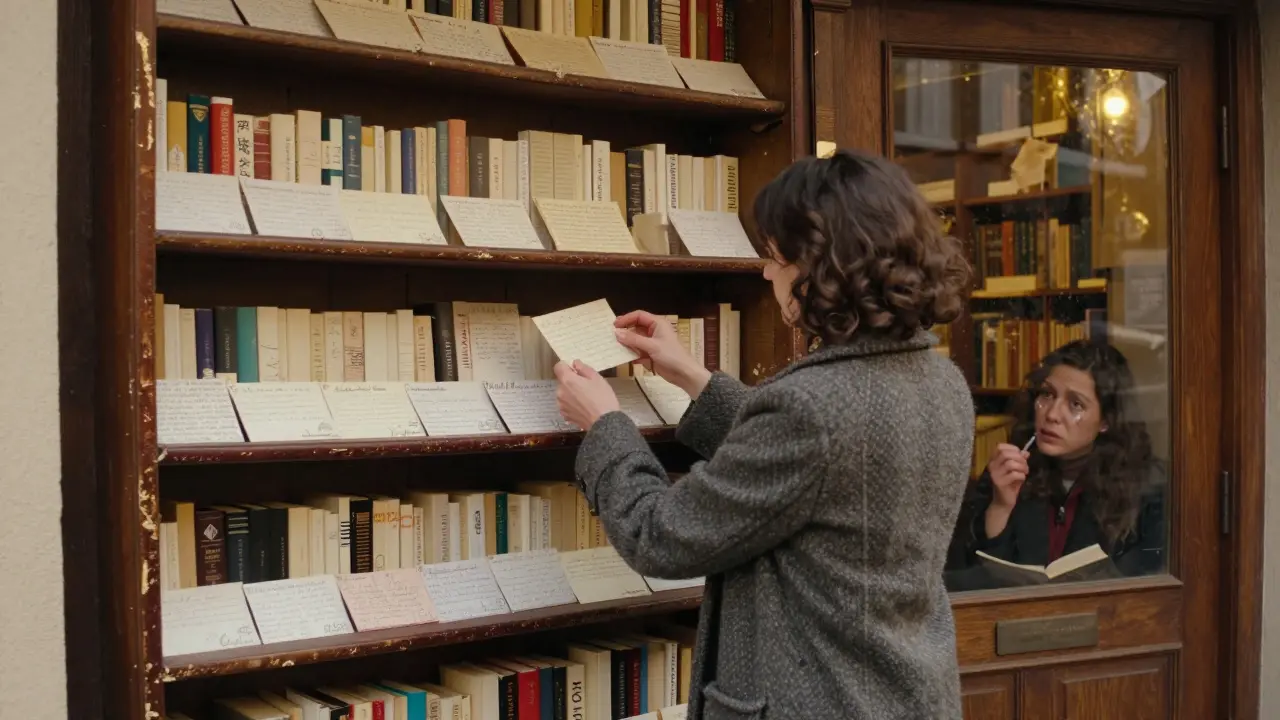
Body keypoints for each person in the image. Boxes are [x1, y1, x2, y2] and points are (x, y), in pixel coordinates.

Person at [552, 149, 974, 719]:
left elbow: (662, 537)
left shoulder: (811, 411)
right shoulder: (941, 379)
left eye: (775, 257)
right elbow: (829, 462)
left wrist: (605, 426)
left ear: (823, 267)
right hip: (906, 694)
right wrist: (692, 377)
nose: (766, 272)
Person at [950, 340, 1164, 587]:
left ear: (1106, 420)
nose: (1051, 414)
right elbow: (977, 584)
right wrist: (1000, 507)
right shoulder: (1007, 472)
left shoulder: (1146, 490)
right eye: (1047, 394)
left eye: (1075, 404)